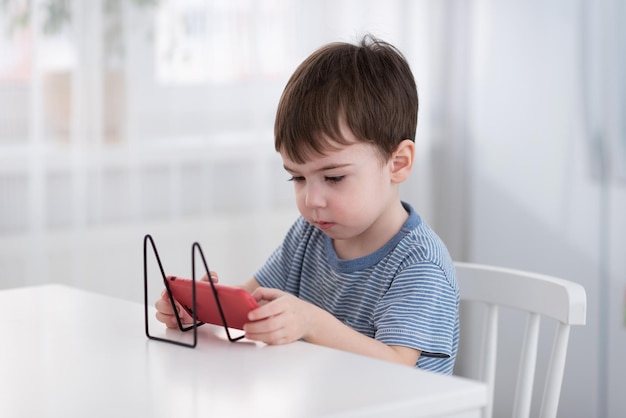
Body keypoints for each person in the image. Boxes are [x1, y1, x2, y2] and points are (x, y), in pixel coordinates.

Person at [155, 35, 459, 375]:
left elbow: (399, 365)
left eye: (333, 178)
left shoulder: (420, 264)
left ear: (398, 163)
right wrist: (198, 308)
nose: (311, 200)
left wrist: (311, 323)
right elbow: (253, 299)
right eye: (297, 178)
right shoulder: (308, 236)